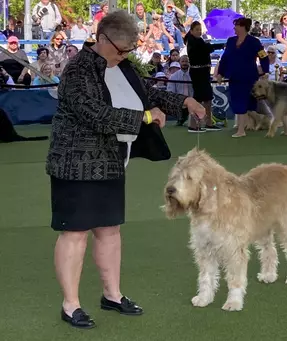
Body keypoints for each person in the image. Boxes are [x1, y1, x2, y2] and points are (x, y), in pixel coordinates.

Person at [45, 10, 205, 329]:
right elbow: (96, 115)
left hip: (111, 161)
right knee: (75, 233)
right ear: (102, 38)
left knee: (110, 230)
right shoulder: (79, 70)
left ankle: (112, 295)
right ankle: (71, 304)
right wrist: (146, 118)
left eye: (130, 49)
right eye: (121, 49)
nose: (125, 55)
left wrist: (184, 103)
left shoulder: (123, 64)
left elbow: (147, 94)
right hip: (76, 164)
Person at [216, 17, 269, 138]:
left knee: (245, 102)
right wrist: (220, 73)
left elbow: (263, 56)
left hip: (249, 77)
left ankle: (241, 130)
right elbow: (224, 59)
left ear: (243, 27)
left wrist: (264, 70)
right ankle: (251, 124)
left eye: (237, 25)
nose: (234, 28)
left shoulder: (254, 42)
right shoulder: (230, 41)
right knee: (237, 101)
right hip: (234, 77)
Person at [185, 20, 224, 133]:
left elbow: (206, 47)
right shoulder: (193, 41)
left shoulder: (198, 40)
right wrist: (220, 45)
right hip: (198, 73)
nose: (199, 32)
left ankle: (208, 122)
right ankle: (193, 124)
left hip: (203, 72)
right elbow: (206, 48)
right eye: (197, 29)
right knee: (198, 99)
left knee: (207, 98)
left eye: (200, 30)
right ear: (191, 30)